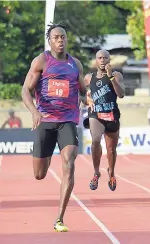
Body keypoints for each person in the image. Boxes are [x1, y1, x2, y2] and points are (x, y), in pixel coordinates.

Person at [21, 22, 92, 232]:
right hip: (45, 119)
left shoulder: (75, 64)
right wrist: (34, 112)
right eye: (56, 37)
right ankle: (47, 153)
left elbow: (82, 89)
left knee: (69, 163)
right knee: (39, 174)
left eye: (63, 37)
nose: (60, 40)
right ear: (50, 40)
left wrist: (88, 97)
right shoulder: (42, 61)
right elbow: (25, 90)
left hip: (68, 119)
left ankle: (59, 218)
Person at [82, 49, 125, 192]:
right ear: (96, 60)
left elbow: (121, 94)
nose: (102, 60)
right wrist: (87, 99)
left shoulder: (116, 75)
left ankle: (111, 172)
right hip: (96, 115)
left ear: (109, 60)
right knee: (95, 140)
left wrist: (111, 77)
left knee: (111, 149)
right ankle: (96, 172)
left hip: (112, 115)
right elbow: (80, 94)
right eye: (99, 58)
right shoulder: (89, 77)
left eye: (105, 58)